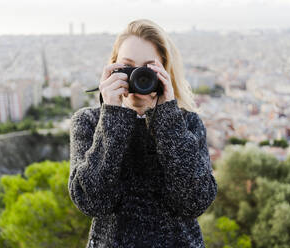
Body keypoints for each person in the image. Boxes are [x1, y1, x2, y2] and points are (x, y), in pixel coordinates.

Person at [68, 18, 218, 248]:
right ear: (112, 68)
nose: (138, 77)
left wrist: (167, 116)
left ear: (164, 72)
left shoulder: (187, 124)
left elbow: (194, 203)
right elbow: (93, 202)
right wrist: (112, 114)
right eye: (128, 67)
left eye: (148, 69)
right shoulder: (88, 122)